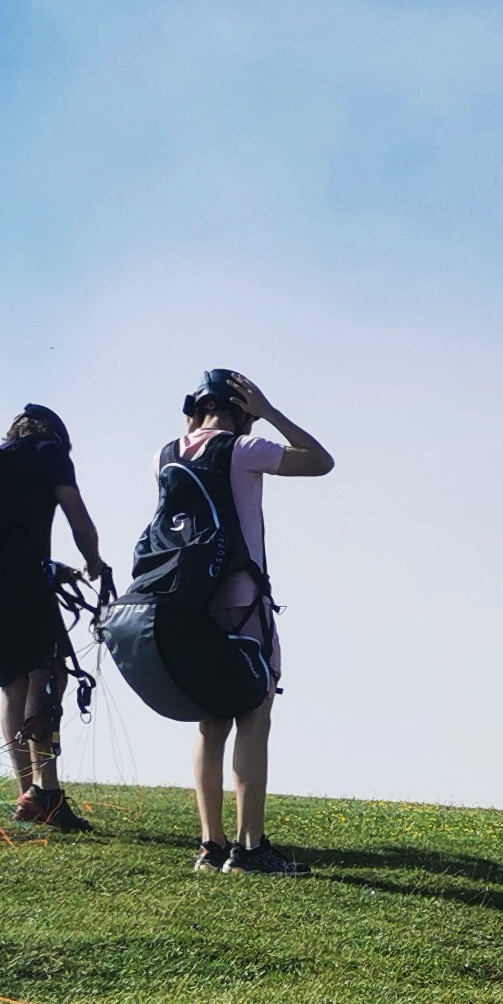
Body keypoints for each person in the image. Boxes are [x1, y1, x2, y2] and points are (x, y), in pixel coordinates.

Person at [169, 369, 334, 875]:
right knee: (253, 716)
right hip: (241, 600)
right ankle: (249, 848)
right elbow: (321, 462)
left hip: (187, 603)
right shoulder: (244, 449)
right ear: (241, 410)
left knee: (210, 721)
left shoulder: (165, 454)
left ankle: (210, 846)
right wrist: (270, 412)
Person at [0, 406, 115, 830]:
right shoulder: (49, 450)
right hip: (24, 585)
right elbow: (77, 515)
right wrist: (93, 561)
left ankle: (27, 792)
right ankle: (48, 793)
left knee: (12, 682)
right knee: (47, 672)